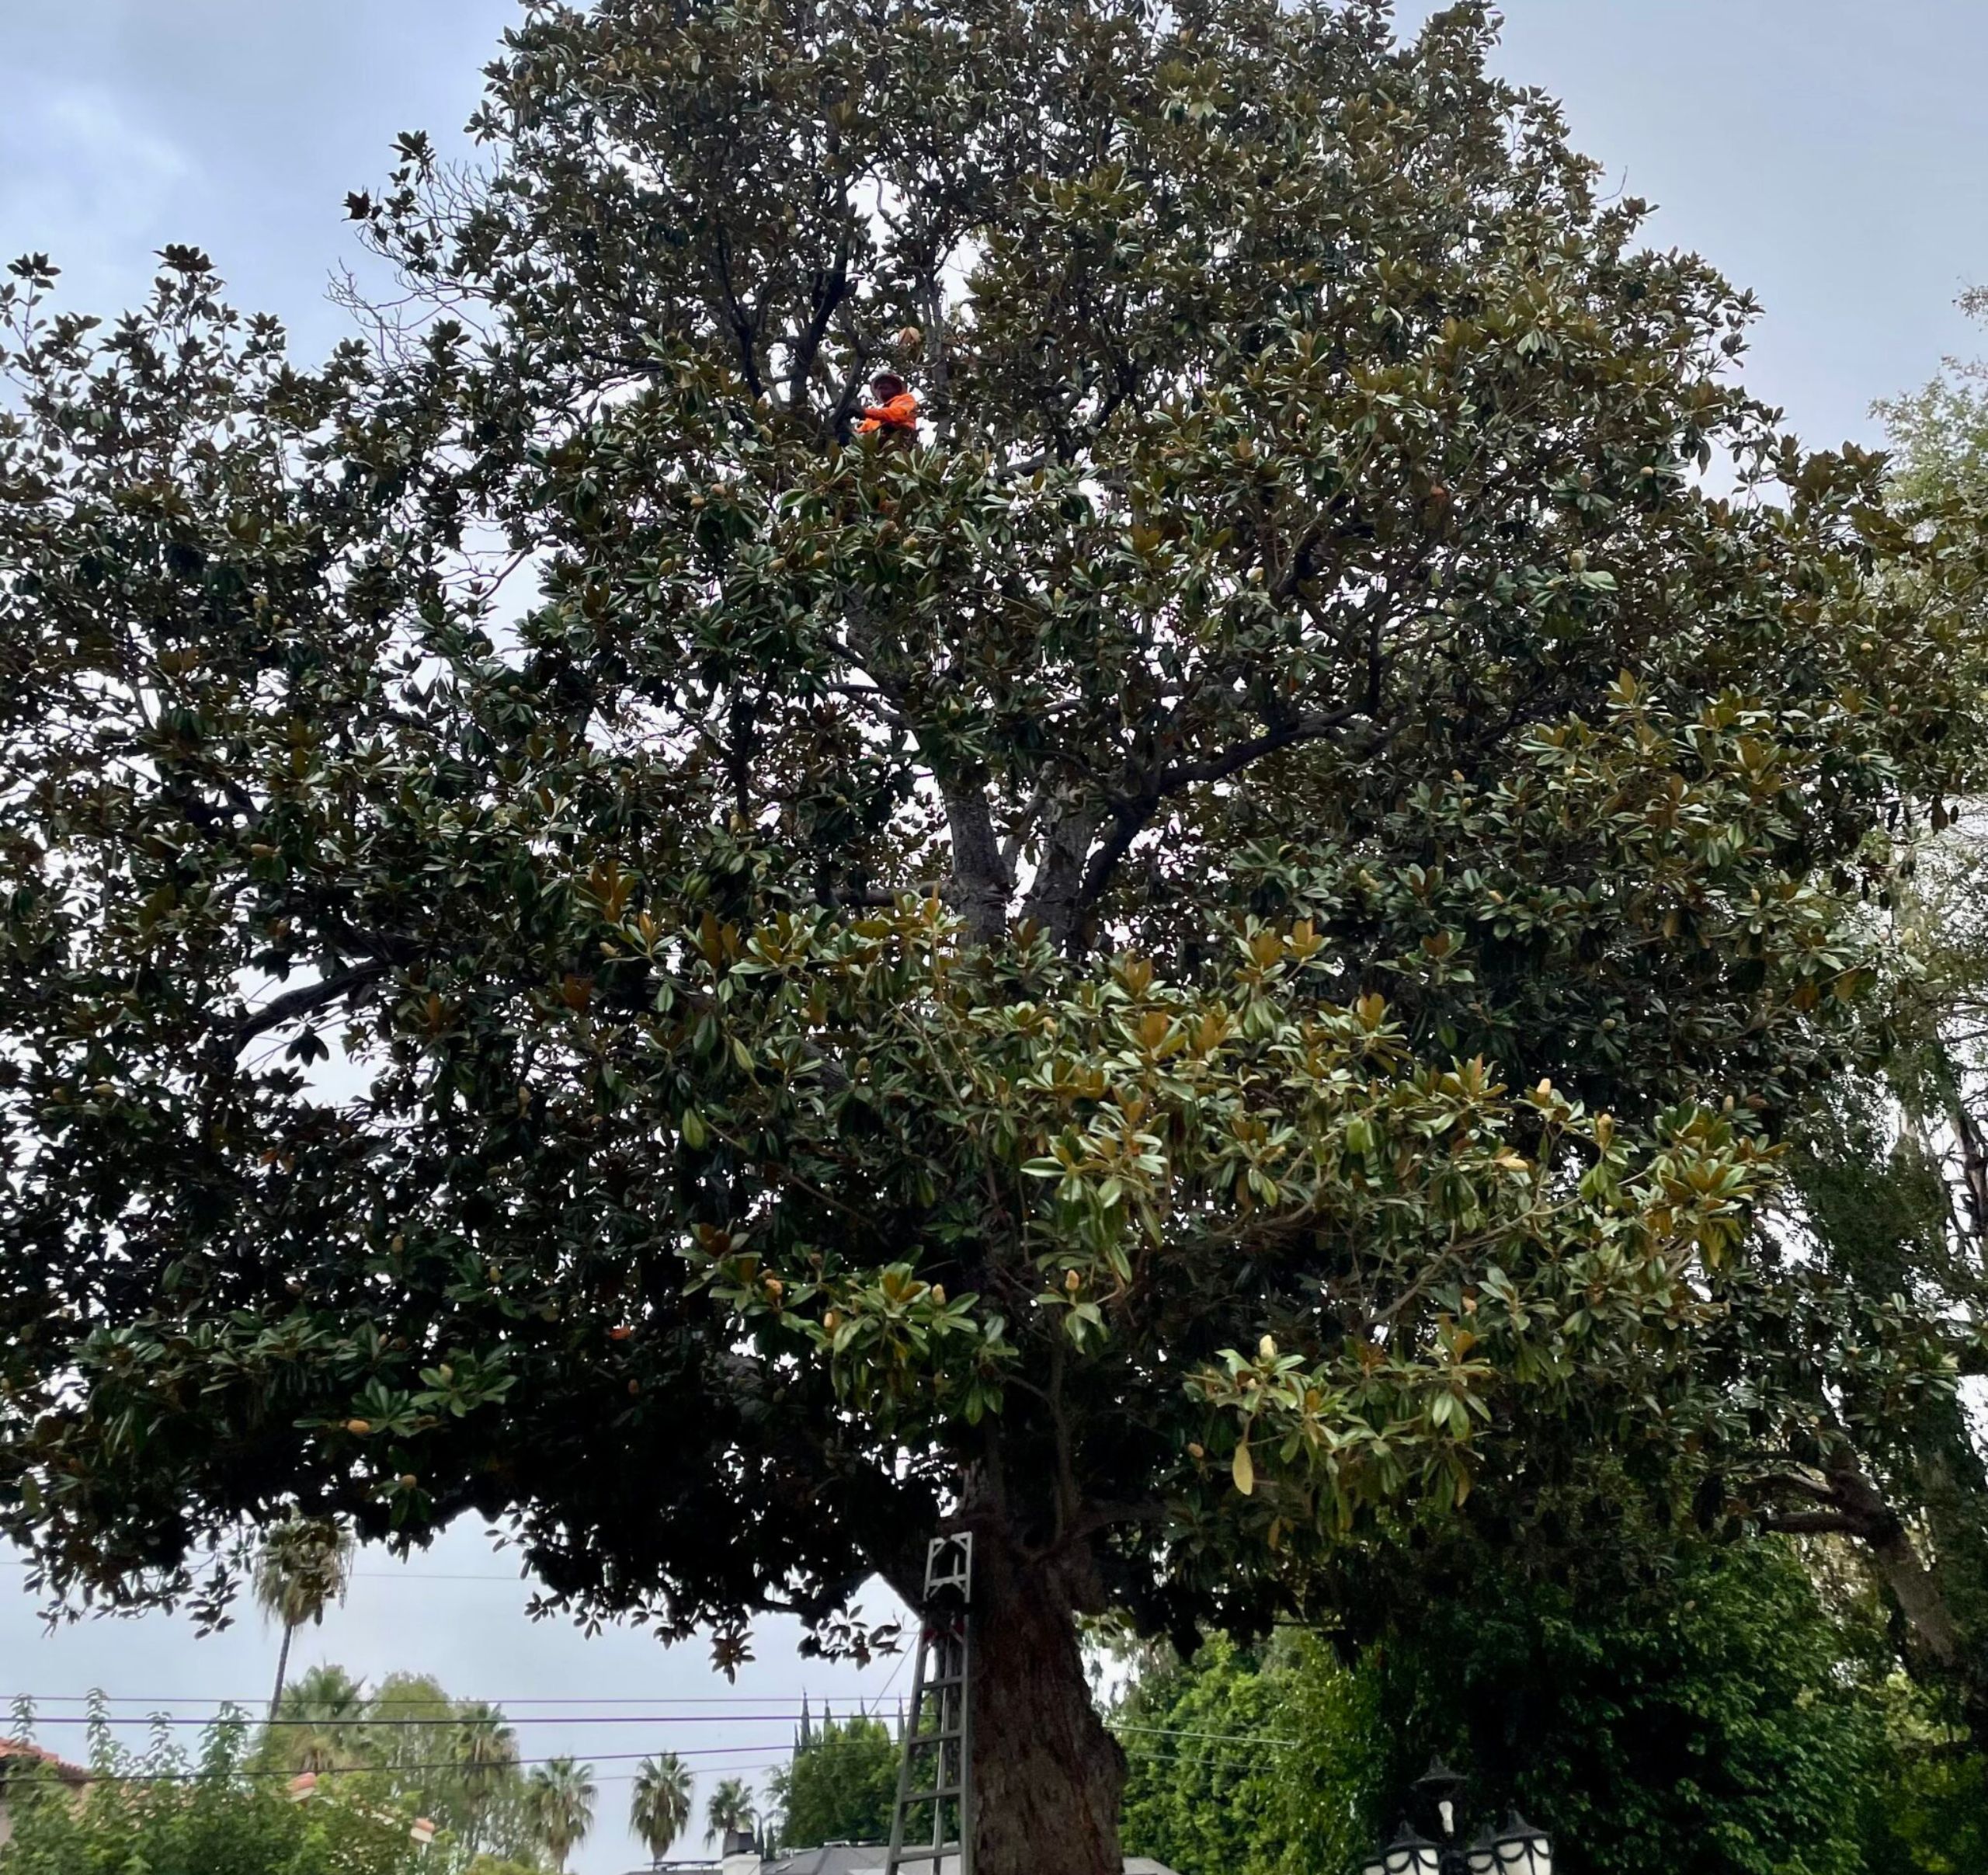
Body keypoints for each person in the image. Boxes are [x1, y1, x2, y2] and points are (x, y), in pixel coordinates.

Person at [857, 371, 918, 441]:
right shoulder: (873, 417)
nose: (880, 386)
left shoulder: (906, 399)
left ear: (896, 388)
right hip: (878, 447)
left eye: (885, 383)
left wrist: (864, 412)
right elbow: (860, 432)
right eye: (877, 386)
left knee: (888, 426)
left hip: (901, 441)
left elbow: (897, 414)